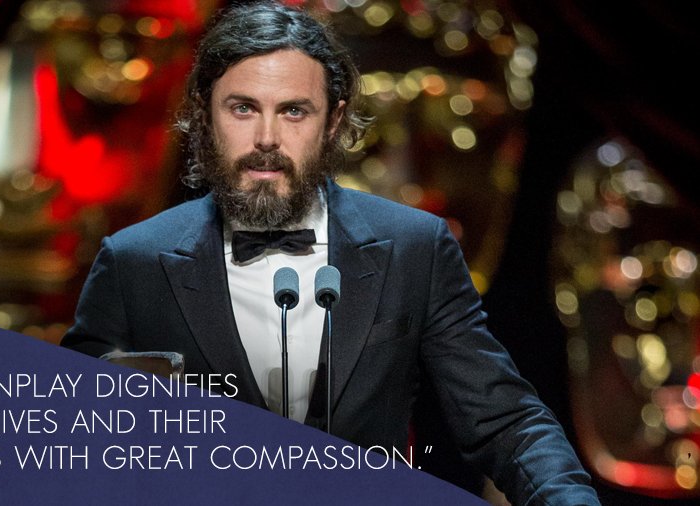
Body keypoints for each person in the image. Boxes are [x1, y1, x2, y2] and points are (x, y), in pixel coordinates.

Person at [62, 2, 600, 504]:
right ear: (204, 117)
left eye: (294, 112)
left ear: (334, 122)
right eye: (244, 109)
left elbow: (504, 421)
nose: (267, 138)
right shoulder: (134, 259)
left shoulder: (415, 247)